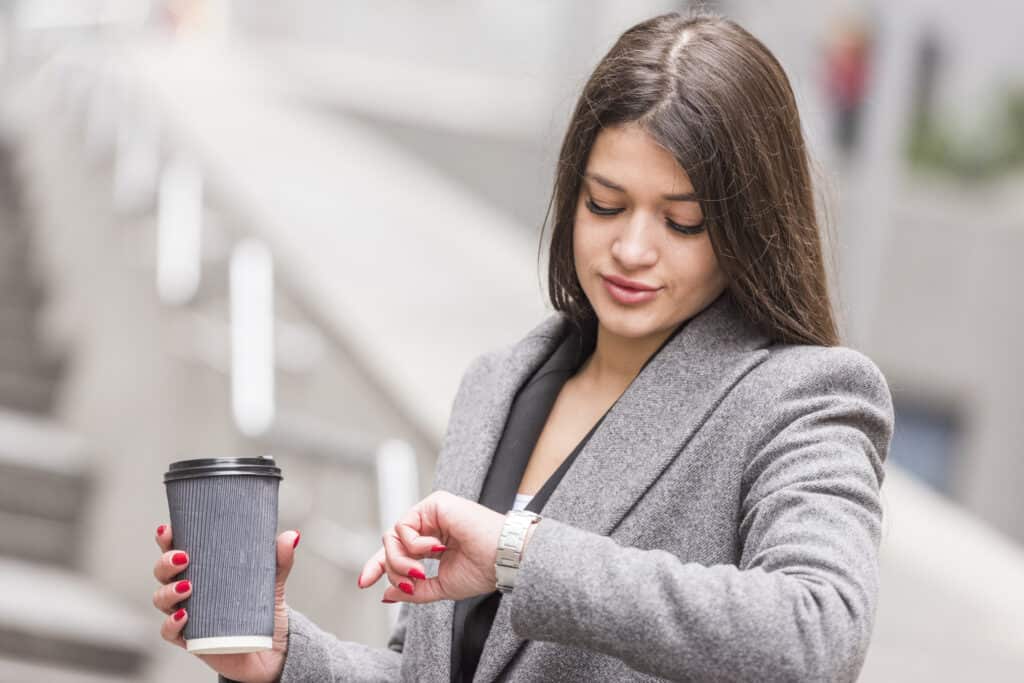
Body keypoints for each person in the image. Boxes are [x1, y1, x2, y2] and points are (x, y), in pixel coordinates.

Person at [151, 9, 893, 682]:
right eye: (605, 204)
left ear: (747, 228)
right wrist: (285, 656)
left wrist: (519, 553)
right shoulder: (499, 385)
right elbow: (431, 672)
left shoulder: (802, 398)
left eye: (683, 221)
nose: (632, 247)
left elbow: (818, 632)